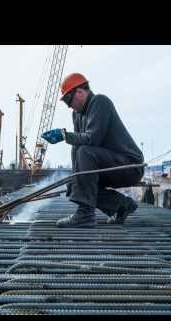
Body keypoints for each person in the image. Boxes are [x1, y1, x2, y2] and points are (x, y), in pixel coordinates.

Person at [42, 73, 144, 228]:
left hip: (129, 166)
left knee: (85, 151)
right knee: (75, 184)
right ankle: (121, 206)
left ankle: (85, 214)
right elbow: (77, 147)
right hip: (109, 165)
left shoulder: (100, 102)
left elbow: (92, 139)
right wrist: (76, 176)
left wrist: (64, 135)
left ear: (80, 92)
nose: (69, 106)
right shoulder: (77, 115)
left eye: (69, 101)